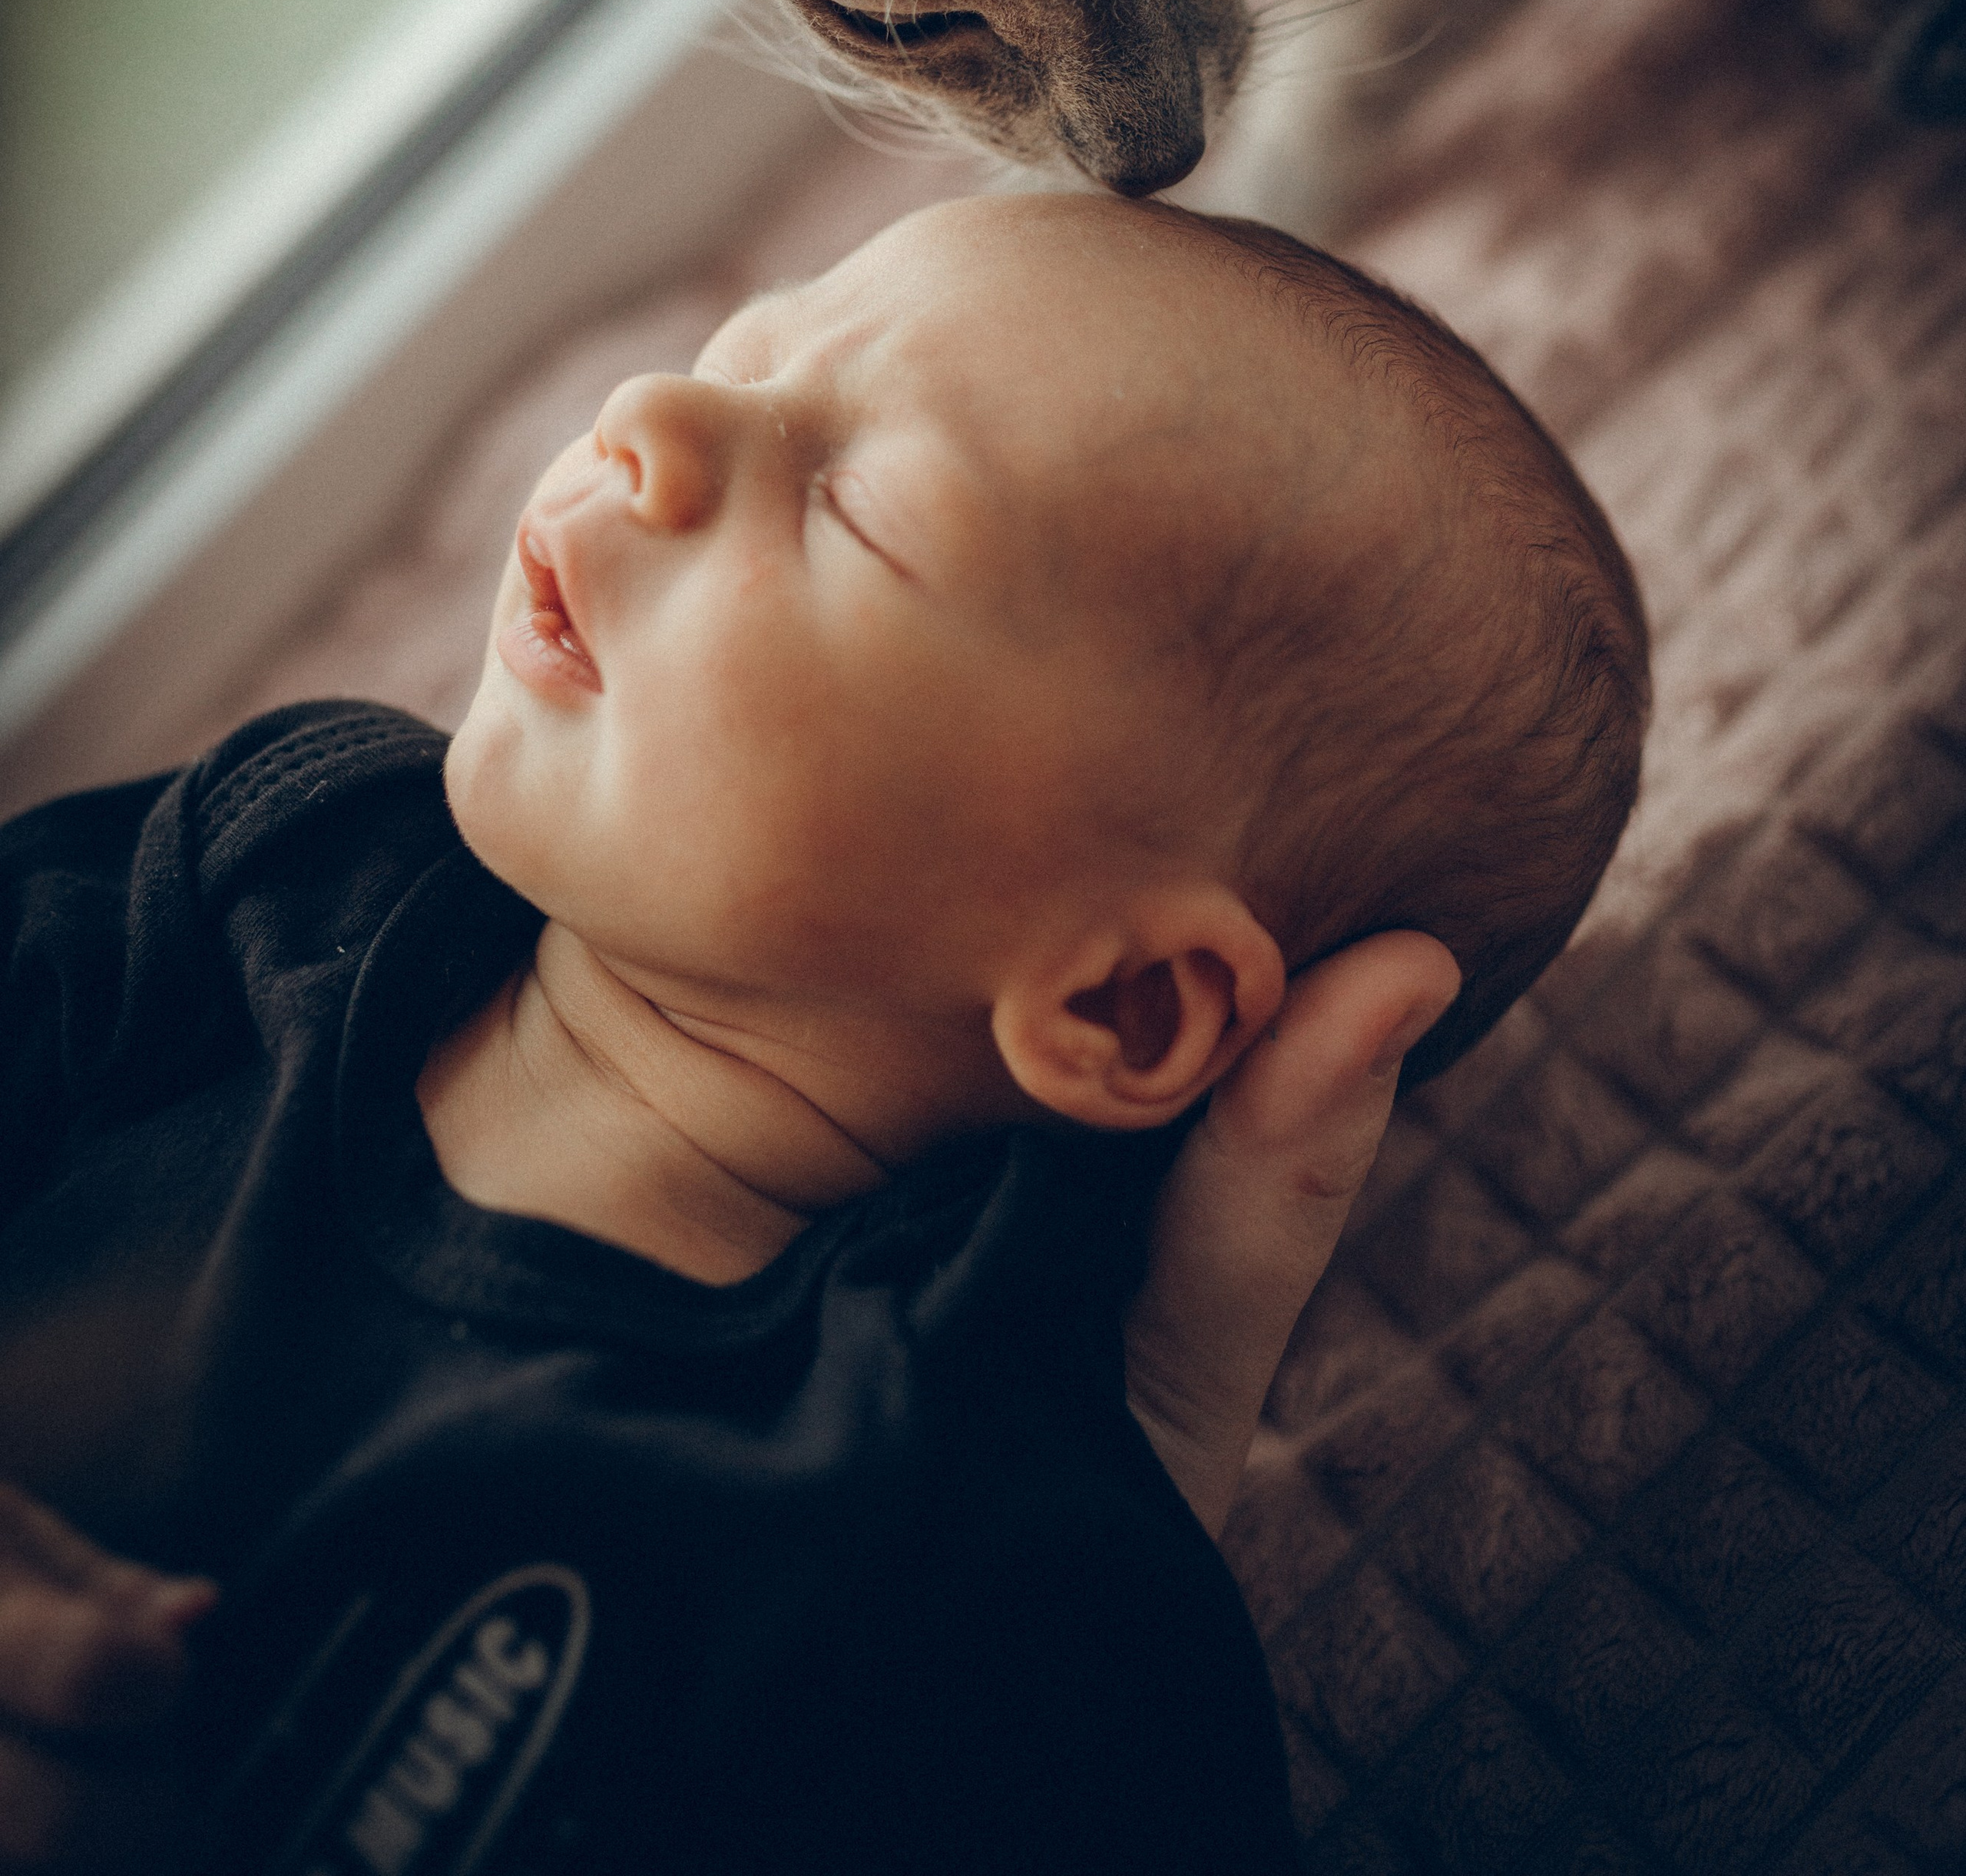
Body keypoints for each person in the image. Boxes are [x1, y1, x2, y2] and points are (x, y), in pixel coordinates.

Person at [0, 193, 1647, 1874]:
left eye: (853, 510)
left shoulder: (954, 1568)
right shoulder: (274, 868)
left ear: (1117, 1001)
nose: (648, 419)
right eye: (743, 351)